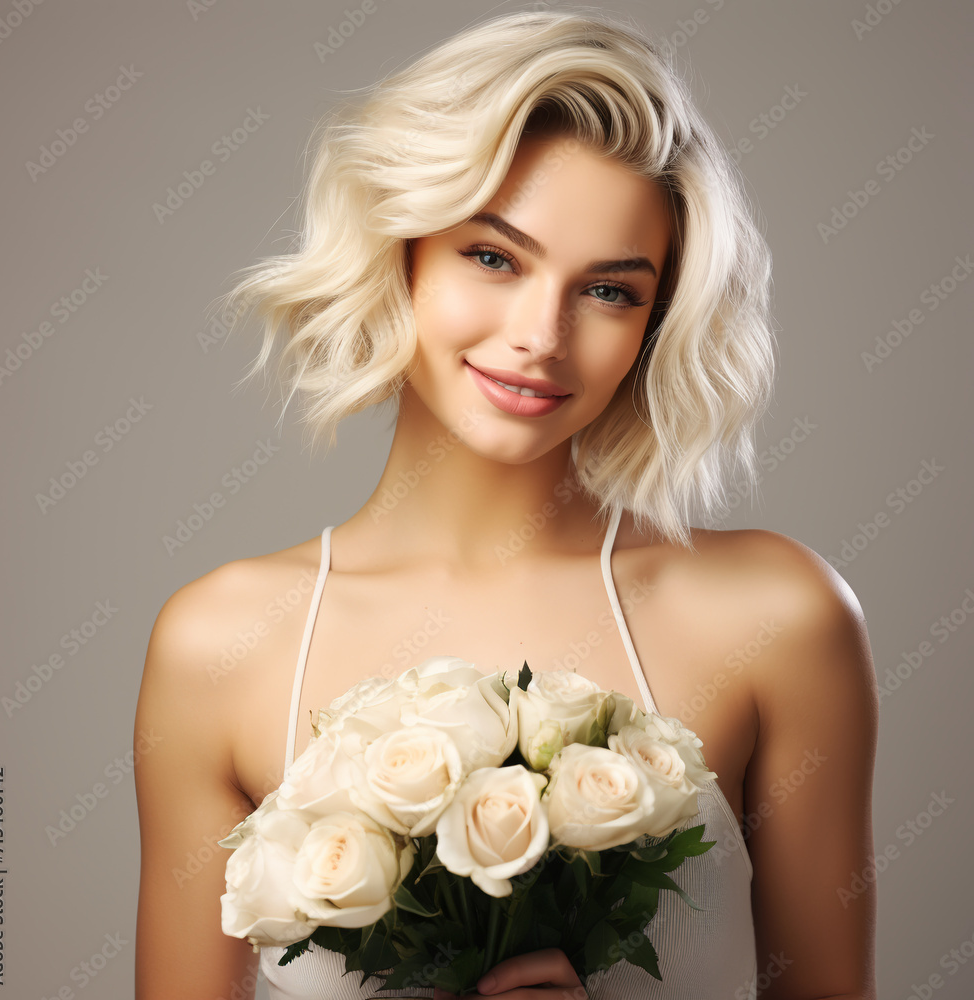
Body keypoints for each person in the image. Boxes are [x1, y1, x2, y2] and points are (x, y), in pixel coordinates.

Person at [133, 7, 878, 1000]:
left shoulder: (778, 616)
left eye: (608, 290)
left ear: (655, 323)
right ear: (401, 249)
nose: (540, 335)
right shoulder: (219, 645)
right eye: (492, 257)